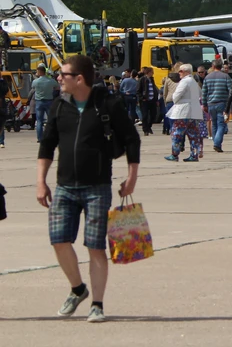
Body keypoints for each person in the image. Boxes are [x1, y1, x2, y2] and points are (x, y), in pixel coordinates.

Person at [36, 54, 140, 323]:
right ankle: (77, 288)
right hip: (64, 187)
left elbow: (131, 140)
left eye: (63, 74)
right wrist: (41, 181)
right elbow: (47, 145)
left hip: (97, 187)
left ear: (79, 79)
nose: (58, 78)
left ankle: (97, 303)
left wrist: (132, 177)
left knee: (95, 246)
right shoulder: (59, 105)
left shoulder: (108, 104)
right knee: (58, 240)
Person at [165, 63, 204, 162]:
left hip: (183, 112)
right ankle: (194, 154)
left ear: (186, 72)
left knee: (176, 132)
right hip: (194, 112)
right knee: (193, 134)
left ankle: (174, 154)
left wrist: (175, 100)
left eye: (181, 71)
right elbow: (200, 94)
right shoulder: (194, 82)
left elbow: (176, 96)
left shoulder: (184, 81)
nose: (179, 73)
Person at [201, 59, 231, 153]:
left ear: (213, 66)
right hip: (222, 103)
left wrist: (205, 104)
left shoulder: (207, 77)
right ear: (221, 66)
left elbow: (204, 92)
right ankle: (217, 144)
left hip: (211, 104)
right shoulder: (226, 76)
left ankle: (216, 143)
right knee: (221, 124)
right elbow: (231, 90)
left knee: (214, 123)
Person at [32, 65, 59, 143]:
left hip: (39, 101)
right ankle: (51, 136)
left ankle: (40, 138)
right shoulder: (51, 81)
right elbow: (57, 88)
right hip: (49, 100)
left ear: (40, 72)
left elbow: (33, 88)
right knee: (50, 120)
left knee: (39, 120)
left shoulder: (35, 81)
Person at [136, 66, 158, 135]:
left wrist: (156, 99)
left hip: (152, 100)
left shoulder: (152, 79)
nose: (153, 73)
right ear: (148, 72)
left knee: (153, 114)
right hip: (145, 101)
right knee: (145, 115)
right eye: (152, 72)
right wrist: (142, 98)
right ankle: (145, 129)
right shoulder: (142, 79)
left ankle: (149, 126)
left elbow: (154, 89)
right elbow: (138, 91)